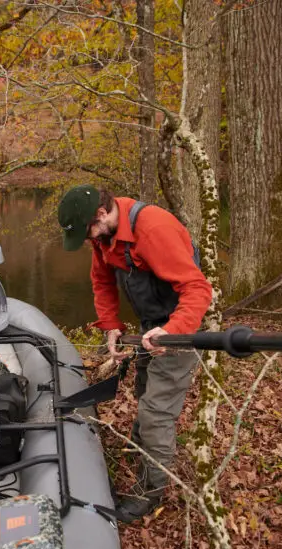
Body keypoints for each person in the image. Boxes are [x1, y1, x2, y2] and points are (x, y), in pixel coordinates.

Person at [57, 184, 212, 520]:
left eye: (88, 233)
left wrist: (172, 332)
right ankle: (143, 449)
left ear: (101, 214)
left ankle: (150, 493)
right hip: (149, 324)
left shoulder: (154, 229)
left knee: (157, 412)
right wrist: (111, 325)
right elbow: (102, 282)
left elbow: (198, 289)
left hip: (179, 327)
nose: (89, 242)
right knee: (144, 390)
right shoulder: (104, 239)